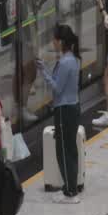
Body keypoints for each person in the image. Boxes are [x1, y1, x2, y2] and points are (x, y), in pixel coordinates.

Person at [38, 25, 81, 203]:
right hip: (73, 107)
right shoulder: (74, 59)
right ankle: (70, 185)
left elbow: (57, 87)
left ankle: (70, 192)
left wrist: (44, 72)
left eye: (54, 39)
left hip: (64, 110)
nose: (53, 43)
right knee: (71, 148)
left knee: (63, 151)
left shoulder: (65, 62)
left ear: (60, 41)